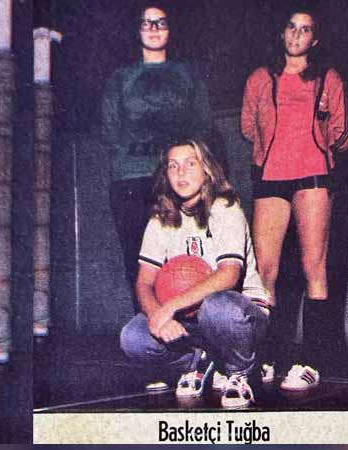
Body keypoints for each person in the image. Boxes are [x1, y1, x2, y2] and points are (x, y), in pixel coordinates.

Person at [241, 5, 348, 391]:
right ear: (282, 32)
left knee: (313, 268)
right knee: (265, 271)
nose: (296, 34)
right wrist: (274, 154)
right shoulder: (259, 78)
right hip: (271, 177)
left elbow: (344, 133)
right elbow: (248, 126)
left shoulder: (328, 78)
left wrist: (317, 148)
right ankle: (268, 356)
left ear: (315, 39)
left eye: (305, 29)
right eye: (291, 27)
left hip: (314, 178)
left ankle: (311, 363)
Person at [119, 139, 272, 409]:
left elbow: (228, 276)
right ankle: (200, 362)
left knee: (217, 306)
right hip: (191, 320)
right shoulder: (160, 219)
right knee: (133, 337)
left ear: (207, 170)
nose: (181, 172)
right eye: (173, 165)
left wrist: (169, 307)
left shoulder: (225, 208)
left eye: (190, 164)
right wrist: (157, 316)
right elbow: (144, 282)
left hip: (239, 316)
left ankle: (240, 371)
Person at [101, 2, 213, 310]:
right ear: (137, 30)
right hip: (131, 179)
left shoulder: (187, 75)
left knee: (182, 255)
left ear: (170, 29)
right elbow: (109, 131)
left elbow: (202, 126)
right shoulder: (121, 79)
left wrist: (182, 168)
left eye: (160, 22)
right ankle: (147, 322)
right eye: (147, 23)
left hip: (178, 180)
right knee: (138, 258)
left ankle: (185, 324)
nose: (153, 29)